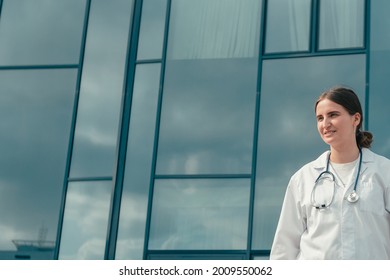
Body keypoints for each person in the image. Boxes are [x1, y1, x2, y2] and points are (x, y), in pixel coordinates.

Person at [270, 86, 390, 260]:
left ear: (355, 118)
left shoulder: (384, 172)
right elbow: (284, 247)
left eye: (333, 115)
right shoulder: (303, 178)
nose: (325, 124)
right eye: (320, 118)